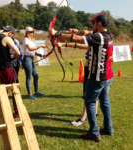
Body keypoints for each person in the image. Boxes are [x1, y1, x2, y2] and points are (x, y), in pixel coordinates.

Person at [48, 14, 114, 142]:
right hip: (107, 76)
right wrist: (76, 31)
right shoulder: (109, 35)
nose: (92, 25)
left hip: (97, 77)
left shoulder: (98, 37)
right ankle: (108, 128)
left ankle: (94, 132)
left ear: (99, 24)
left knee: (89, 102)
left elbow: (79, 39)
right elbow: (86, 33)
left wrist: (57, 34)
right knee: (105, 102)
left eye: (94, 23)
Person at [0, 25, 21, 118]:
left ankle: (2, 112)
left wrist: (9, 55)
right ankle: (17, 112)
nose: (12, 38)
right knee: (16, 89)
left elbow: (0, 53)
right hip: (7, 68)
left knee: (4, 90)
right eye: (12, 36)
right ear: (10, 33)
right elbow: (18, 52)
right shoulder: (6, 38)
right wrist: (14, 58)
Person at [71, 49, 99, 126]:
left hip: (91, 71)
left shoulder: (94, 41)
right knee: (95, 94)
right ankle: (95, 113)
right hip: (92, 70)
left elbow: (81, 43)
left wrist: (64, 44)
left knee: (88, 95)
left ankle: (83, 119)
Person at [22, 27, 46, 100]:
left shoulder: (31, 40)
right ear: (27, 33)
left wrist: (40, 55)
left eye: (33, 32)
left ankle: (36, 92)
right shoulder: (26, 39)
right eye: (31, 32)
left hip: (31, 59)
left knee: (36, 76)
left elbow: (32, 52)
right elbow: (30, 49)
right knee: (29, 78)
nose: (32, 33)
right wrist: (40, 46)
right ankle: (30, 94)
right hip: (27, 59)